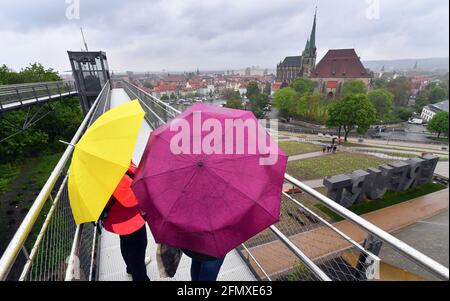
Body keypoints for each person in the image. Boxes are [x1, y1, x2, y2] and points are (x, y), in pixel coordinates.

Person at [100, 162, 150, 281]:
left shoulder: (97, 170)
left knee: (126, 243)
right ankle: (139, 276)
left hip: (116, 218)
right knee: (138, 248)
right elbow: (131, 196)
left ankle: (130, 268)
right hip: (129, 219)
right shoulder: (113, 168)